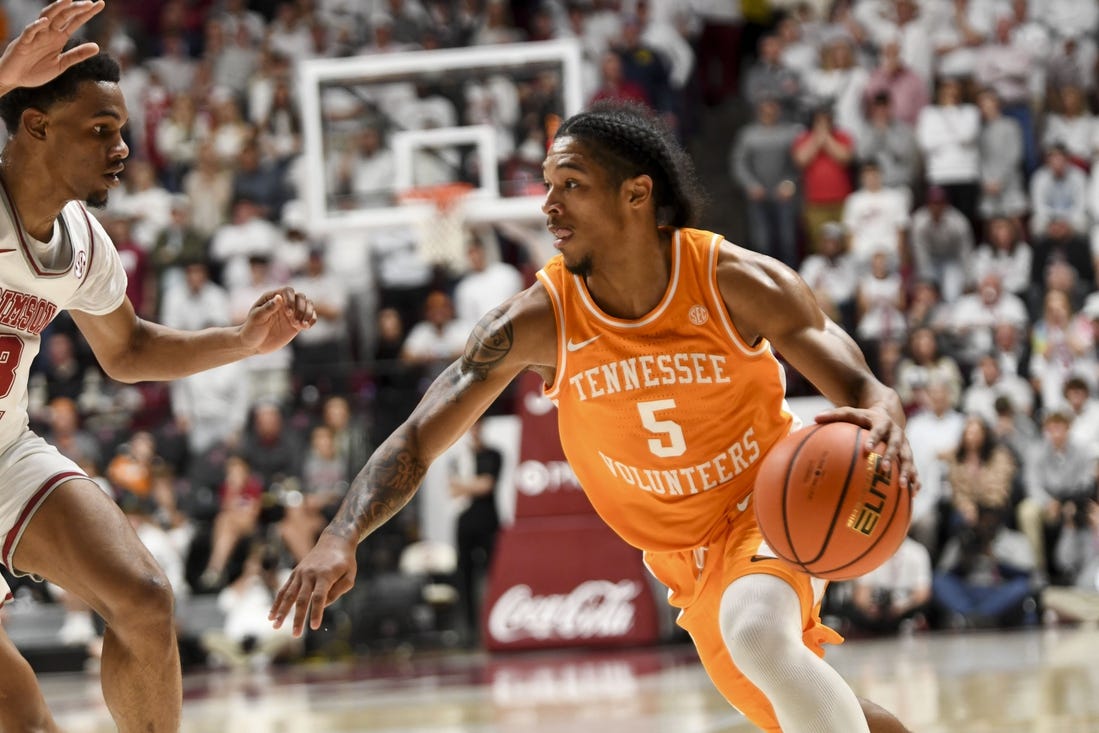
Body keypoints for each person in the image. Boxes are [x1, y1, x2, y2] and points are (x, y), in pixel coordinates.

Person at [271, 101, 917, 732]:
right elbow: (418, 436)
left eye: (570, 186)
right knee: (811, 708)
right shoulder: (536, 320)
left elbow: (862, 386)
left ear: (635, 194)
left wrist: (886, 413)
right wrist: (341, 533)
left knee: (755, 630)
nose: (547, 206)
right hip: (680, 560)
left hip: (770, 506)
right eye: (547, 186)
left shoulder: (734, 282)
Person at [0, 19, 318, 733]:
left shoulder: (83, 241)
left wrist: (242, 338)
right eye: (101, 129)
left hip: (5, 451)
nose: (122, 149)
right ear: (36, 125)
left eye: (123, 130)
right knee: (23, 722)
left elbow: (130, 349)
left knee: (144, 596)